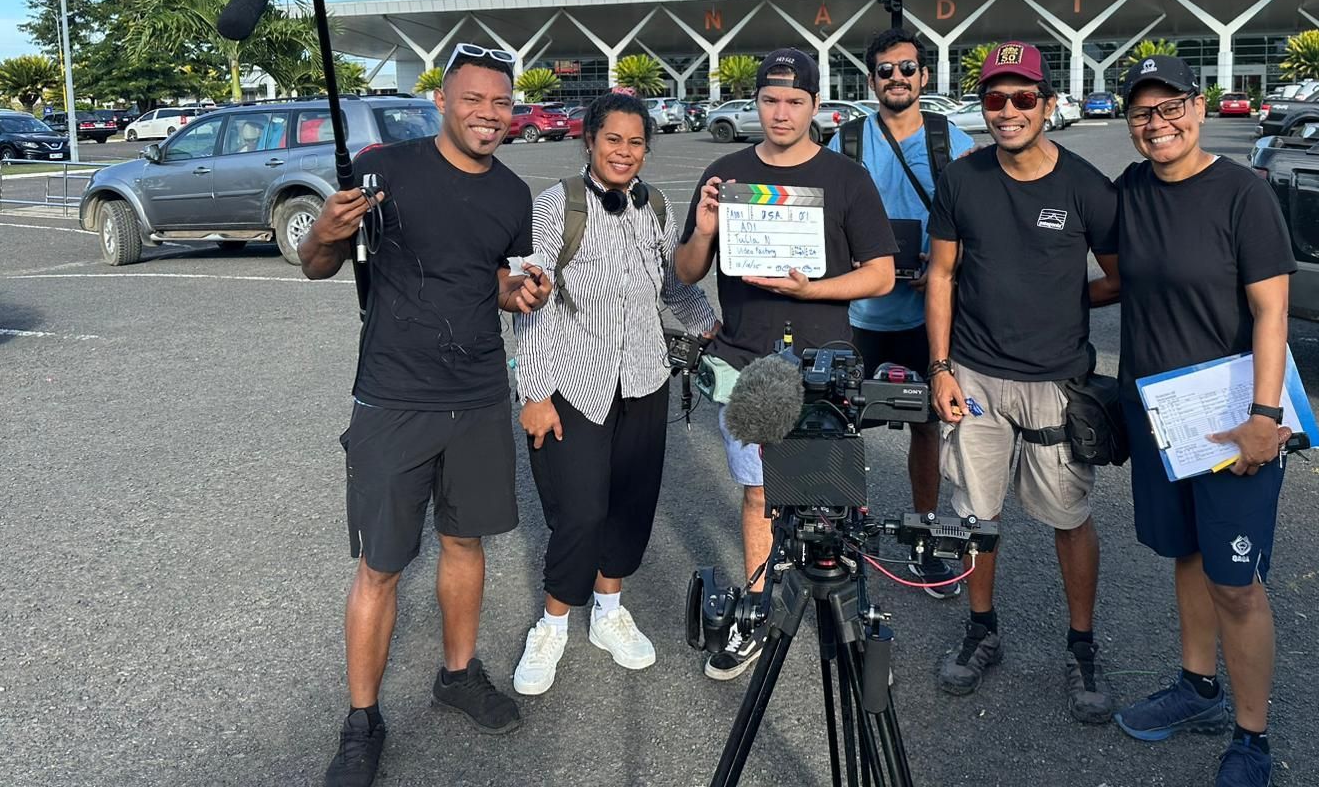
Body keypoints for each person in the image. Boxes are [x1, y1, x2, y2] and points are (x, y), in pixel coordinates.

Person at [301, 42, 551, 787]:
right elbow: (318, 267)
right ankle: (361, 720)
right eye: (474, 99)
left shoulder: (512, 196)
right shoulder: (384, 169)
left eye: (501, 103)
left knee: (464, 543)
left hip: (475, 395)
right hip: (392, 395)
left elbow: (498, 286)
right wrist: (325, 231)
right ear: (441, 99)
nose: (489, 114)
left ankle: (457, 674)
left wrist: (521, 295)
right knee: (381, 564)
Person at [674, 47, 898, 681]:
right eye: (770, 100)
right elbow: (687, 272)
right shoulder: (725, 172)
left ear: (815, 107)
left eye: (794, 101)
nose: (780, 112)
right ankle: (757, 608)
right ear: (756, 103)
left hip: (825, 364)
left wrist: (810, 290)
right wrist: (703, 230)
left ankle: (850, 632)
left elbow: (881, 275)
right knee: (758, 495)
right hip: (747, 363)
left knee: (833, 503)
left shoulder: (846, 177)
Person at [1109, 54, 1296, 787]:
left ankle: (1252, 736)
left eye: (1171, 106)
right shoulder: (1130, 190)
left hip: (1231, 415)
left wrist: (1264, 415)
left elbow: (1271, 309)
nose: (1158, 124)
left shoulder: (1241, 194)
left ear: (1200, 104)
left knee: (1238, 582)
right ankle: (1198, 687)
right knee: (1187, 554)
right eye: (1143, 113)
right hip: (1161, 412)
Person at [924, 40, 1120, 722]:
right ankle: (982, 632)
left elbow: (1118, 277)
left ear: (1048, 103)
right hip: (974, 374)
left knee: (1070, 516)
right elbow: (942, 275)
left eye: (1023, 98)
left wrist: (1064, 298)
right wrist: (940, 366)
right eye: (995, 99)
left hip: (1055, 383)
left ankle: (1082, 645)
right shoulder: (963, 180)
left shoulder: (1087, 186)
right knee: (978, 515)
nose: (1008, 111)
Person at [509, 92, 718, 696]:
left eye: (635, 142)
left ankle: (608, 611)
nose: (624, 152)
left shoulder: (653, 204)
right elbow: (531, 304)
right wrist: (535, 392)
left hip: (645, 378)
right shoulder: (559, 206)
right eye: (613, 140)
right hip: (576, 382)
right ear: (589, 142)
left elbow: (670, 285)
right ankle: (551, 624)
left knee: (630, 502)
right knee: (580, 510)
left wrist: (708, 323)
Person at [828, 27, 974, 597]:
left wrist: (945, 273)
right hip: (857, 314)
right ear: (871, 80)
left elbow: (974, 225)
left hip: (923, 314)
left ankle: (924, 537)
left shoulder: (952, 142)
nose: (897, 78)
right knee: (837, 427)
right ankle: (838, 538)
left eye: (907, 69)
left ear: (924, 77)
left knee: (927, 427)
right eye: (885, 70)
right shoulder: (846, 142)